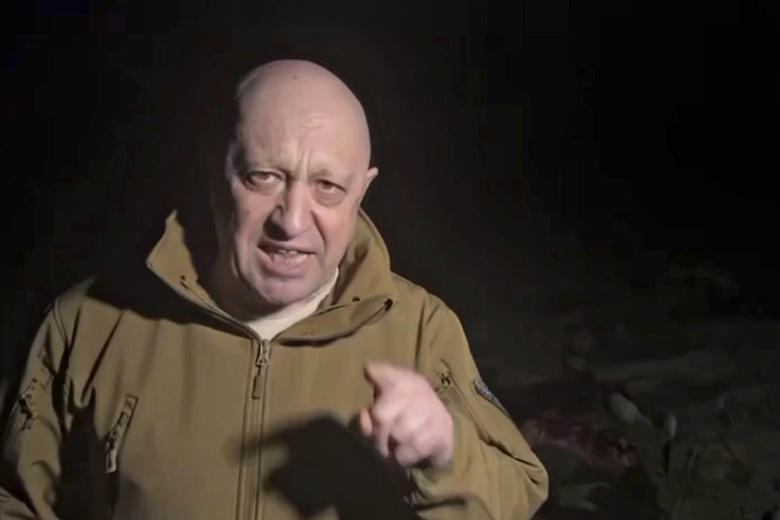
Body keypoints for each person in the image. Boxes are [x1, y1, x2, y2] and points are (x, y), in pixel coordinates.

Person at [0, 59, 548, 519]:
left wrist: (446, 453)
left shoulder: (421, 331)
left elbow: (517, 499)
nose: (292, 220)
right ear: (215, 172)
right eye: (263, 176)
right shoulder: (86, 324)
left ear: (362, 192)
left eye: (328, 186)